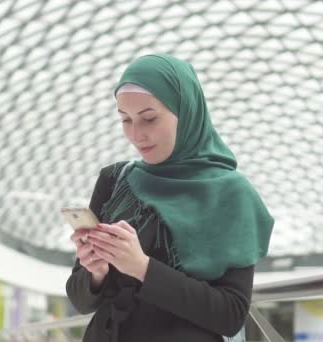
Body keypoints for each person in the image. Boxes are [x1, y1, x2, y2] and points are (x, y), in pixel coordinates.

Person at [66, 53, 274, 342]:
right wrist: (96, 273)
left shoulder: (231, 194)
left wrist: (142, 267)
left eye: (149, 118)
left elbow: (230, 314)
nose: (136, 135)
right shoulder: (114, 181)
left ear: (185, 111)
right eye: (126, 119)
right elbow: (81, 301)